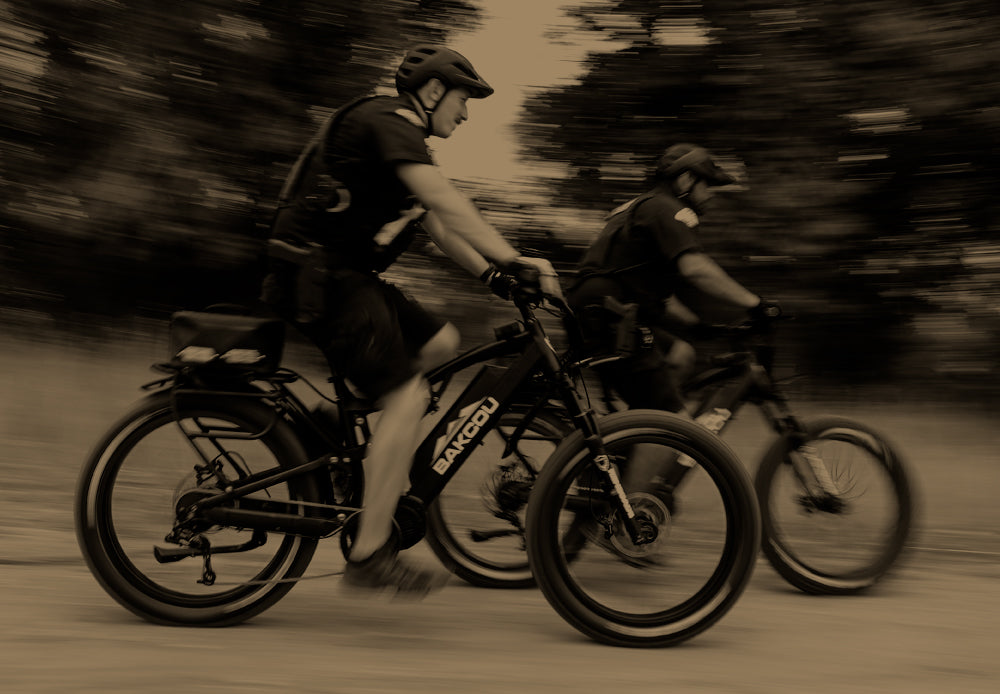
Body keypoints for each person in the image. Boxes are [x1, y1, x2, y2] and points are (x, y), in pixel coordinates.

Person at [261, 45, 556, 595]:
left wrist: (495, 278)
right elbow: (442, 200)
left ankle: (332, 427)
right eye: (464, 99)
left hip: (344, 275)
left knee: (442, 342)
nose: (466, 114)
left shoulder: (401, 142)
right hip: (320, 276)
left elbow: (438, 228)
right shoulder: (389, 120)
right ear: (434, 90)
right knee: (408, 398)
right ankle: (369, 554)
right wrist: (514, 258)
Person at [567, 144, 779, 533]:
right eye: (708, 185)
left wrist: (703, 328)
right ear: (686, 180)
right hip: (613, 318)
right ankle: (624, 524)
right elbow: (695, 267)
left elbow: (659, 299)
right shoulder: (671, 209)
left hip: (603, 310)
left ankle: (631, 444)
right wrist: (756, 305)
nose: (711, 194)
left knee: (681, 353)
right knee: (670, 425)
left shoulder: (639, 208)